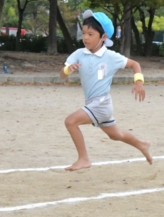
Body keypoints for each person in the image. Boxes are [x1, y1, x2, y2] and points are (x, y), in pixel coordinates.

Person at [60, 10, 152, 171]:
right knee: (116, 135)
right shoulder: (79, 54)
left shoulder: (110, 56)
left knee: (70, 121)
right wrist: (69, 69)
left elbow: (134, 64)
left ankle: (83, 159)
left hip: (101, 103)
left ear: (103, 37)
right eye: (84, 33)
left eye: (91, 34)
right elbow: (62, 74)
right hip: (94, 103)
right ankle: (142, 145)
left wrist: (139, 82)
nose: (86, 37)